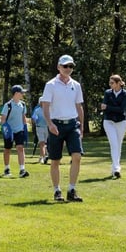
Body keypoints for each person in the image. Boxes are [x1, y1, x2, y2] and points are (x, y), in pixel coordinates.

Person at [40, 54, 85, 202]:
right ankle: (57, 190)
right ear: (59, 67)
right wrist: (50, 124)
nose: (68, 69)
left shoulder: (76, 85)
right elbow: (45, 106)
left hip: (72, 125)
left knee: (77, 156)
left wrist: (82, 126)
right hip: (56, 125)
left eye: (71, 66)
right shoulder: (51, 85)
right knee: (55, 160)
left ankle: (72, 189)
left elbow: (79, 107)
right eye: (65, 66)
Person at [100, 75, 126, 178]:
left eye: (112, 83)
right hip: (109, 121)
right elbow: (103, 107)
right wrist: (110, 108)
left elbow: (122, 109)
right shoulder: (108, 93)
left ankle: (114, 169)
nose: (110, 85)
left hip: (121, 122)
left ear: (118, 83)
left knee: (118, 145)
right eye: (110, 83)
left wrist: (108, 107)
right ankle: (117, 168)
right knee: (114, 144)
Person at [0, 85, 30, 178]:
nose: (23, 94)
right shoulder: (8, 105)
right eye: (21, 92)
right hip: (9, 131)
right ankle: (6, 168)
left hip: (19, 130)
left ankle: (22, 169)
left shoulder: (23, 104)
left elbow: (23, 117)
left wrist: (25, 128)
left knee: (20, 148)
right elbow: (3, 119)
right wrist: (6, 130)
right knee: (7, 149)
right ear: (16, 93)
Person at [32, 99, 49, 164]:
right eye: (42, 102)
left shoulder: (48, 109)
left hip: (47, 128)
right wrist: (35, 120)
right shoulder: (37, 110)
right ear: (40, 103)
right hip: (39, 128)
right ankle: (43, 157)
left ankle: (43, 156)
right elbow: (34, 118)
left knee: (45, 143)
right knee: (42, 143)